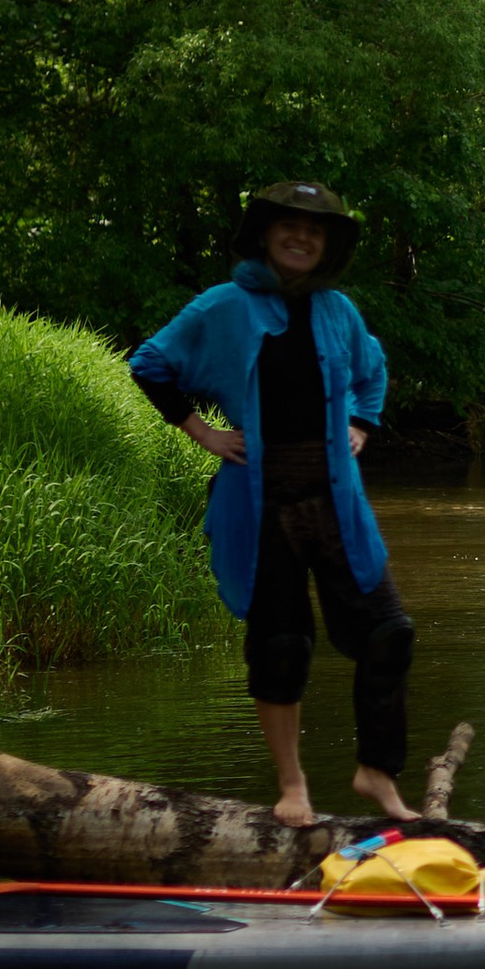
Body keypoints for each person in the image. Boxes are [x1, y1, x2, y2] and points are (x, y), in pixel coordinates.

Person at [130, 180, 415, 827]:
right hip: (262, 501)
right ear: (265, 233)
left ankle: (377, 771)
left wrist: (363, 423)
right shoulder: (222, 306)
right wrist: (201, 431)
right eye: (290, 225)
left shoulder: (339, 311)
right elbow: (149, 363)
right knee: (281, 644)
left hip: (335, 499)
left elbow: (372, 370)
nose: (302, 236)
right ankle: (293, 788)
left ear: (327, 244)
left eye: (315, 230)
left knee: (388, 631)